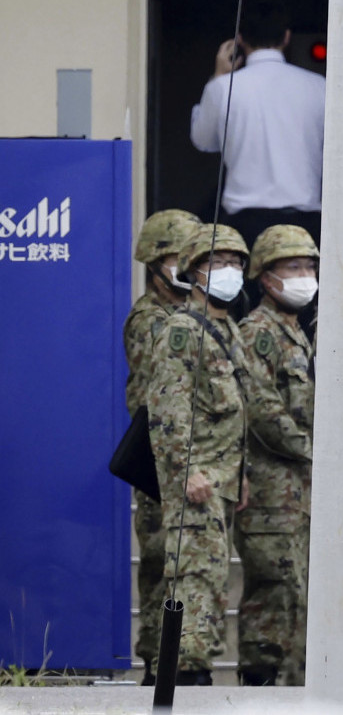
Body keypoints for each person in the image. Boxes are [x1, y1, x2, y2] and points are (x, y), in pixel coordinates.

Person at [146, 223, 252, 685]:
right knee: (193, 579)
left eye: (235, 263)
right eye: (217, 262)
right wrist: (185, 470)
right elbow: (168, 406)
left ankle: (195, 668)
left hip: (222, 480)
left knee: (210, 580)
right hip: (196, 479)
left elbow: (233, 414)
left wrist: (240, 475)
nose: (229, 271)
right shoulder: (183, 330)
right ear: (193, 272)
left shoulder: (227, 330)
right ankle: (184, 675)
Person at [235, 225, 319, 686]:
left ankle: (289, 690)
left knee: (299, 599)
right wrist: (318, 452)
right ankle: (262, 690)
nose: (305, 275)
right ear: (266, 277)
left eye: (309, 266)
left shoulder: (295, 332)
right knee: (275, 598)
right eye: (293, 267)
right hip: (272, 496)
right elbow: (264, 412)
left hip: (299, 495)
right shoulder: (258, 333)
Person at [124, 208, 202, 685]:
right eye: (179, 258)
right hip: (159, 457)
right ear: (155, 263)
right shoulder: (151, 319)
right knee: (160, 561)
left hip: (183, 454)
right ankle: (157, 662)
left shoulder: (187, 316)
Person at [190, 0, 326, 249]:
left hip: (246, 221)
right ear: (287, 37)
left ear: (240, 39)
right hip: (306, 221)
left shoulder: (223, 87)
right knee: (303, 285)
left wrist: (219, 77)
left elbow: (203, 141)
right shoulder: (319, 87)